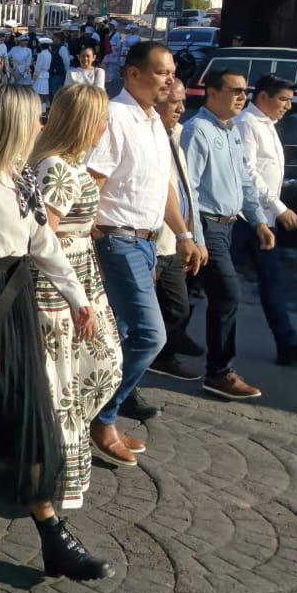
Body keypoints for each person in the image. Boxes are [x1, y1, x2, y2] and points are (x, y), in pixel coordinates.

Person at [0, 84, 114, 582]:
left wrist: (78, 298)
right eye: (35, 119)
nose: (41, 128)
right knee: (16, 411)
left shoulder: (19, 177)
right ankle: (53, 534)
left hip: (16, 301)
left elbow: (43, 240)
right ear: (14, 123)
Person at [88, 42, 202, 432]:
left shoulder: (155, 121)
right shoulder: (115, 118)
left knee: (122, 334)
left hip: (148, 242)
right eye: (161, 72)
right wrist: (94, 235)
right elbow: (93, 182)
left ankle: (97, 410)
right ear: (134, 75)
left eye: (172, 72)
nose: (170, 79)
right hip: (117, 239)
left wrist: (183, 233)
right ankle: (103, 415)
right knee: (151, 335)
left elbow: (163, 186)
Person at [29, 84, 125, 498]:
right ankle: (53, 467)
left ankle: (63, 454)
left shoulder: (70, 163)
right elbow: (43, 234)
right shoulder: (57, 167)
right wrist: (72, 294)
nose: (105, 127)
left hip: (81, 273)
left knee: (99, 367)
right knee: (69, 374)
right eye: (102, 119)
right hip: (62, 281)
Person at [181, 69, 273, 400]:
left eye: (244, 91)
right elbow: (187, 189)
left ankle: (162, 350)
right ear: (212, 93)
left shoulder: (231, 131)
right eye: (234, 91)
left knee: (182, 295)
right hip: (206, 224)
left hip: (230, 225)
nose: (241, 97)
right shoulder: (198, 131)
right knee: (228, 294)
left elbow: (245, 181)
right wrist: (195, 238)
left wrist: (259, 220)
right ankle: (219, 372)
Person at [234, 75, 297, 365]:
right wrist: (279, 207)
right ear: (263, 97)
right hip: (242, 221)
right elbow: (249, 173)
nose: (288, 106)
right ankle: (170, 340)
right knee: (212, 285)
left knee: (272, 281)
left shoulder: (267, 126)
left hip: (262, 221)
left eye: (290, 100)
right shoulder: (246, 124)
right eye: (283, 99)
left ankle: (288, 343)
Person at [149, 79, 207, 381]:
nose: (182, 109)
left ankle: (163, 354)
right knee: (146, 317)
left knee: (179, 307)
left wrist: (194, 236)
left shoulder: (178, 134)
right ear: (156, 103)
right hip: (154, 240)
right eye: (175, 103)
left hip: (177, 238)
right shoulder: (149, 138)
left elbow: (186, 189)